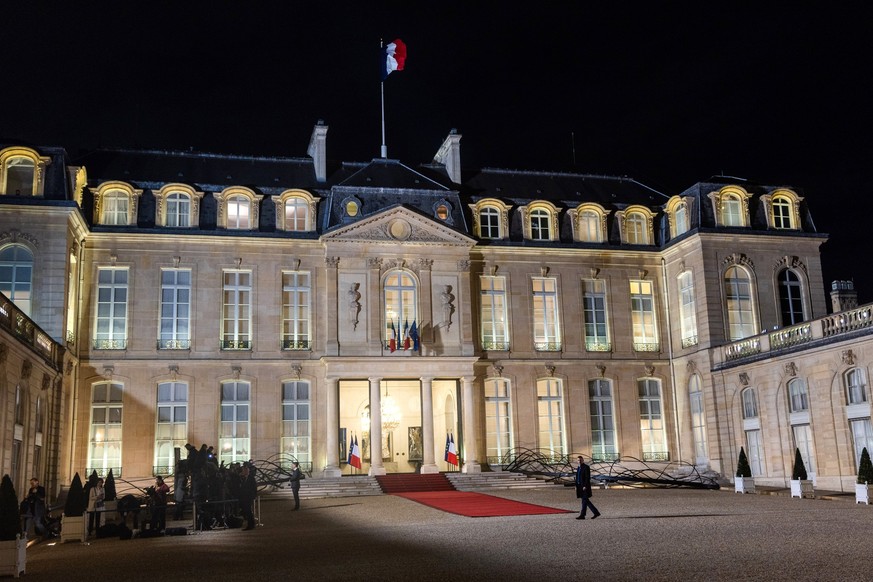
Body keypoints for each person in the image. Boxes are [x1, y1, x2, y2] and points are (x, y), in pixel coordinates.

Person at [574, 455, 601, 520]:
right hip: (579, 486)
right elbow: (578, 477)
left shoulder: (586, 467)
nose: (579, 461)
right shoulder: (578, 467)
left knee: (585, 500)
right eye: (578, 460)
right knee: (584, 501)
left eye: (580, 460)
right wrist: (576, 485)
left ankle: (592, 513)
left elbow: (587, 477)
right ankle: (584, 515)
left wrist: (585, 486)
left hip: (584, 487)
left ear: (583, 460)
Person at [239, 463, 257, 530]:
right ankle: (251, 524)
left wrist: (253, 495)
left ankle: (251, 525)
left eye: (244, 470)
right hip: (245, 497)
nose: (243, 472)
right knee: (248, 511)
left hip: (249, 497)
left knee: (248, 511)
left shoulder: (251, 478)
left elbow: (254, 488)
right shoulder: (243, 478)